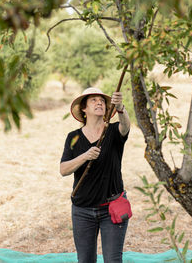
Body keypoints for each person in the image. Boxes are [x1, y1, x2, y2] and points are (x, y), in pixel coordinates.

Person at [60, 87, 131, 263]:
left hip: (112, 207)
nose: (99, 102)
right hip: (82, 210)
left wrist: (121, 107)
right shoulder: (73, 137)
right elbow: (63, 169)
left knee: (113, 260)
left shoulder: (113, 131)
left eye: (102, 101)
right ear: (84, 109)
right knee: (85, 260)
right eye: (93, 100)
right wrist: (85, 156)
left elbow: (126, 126)